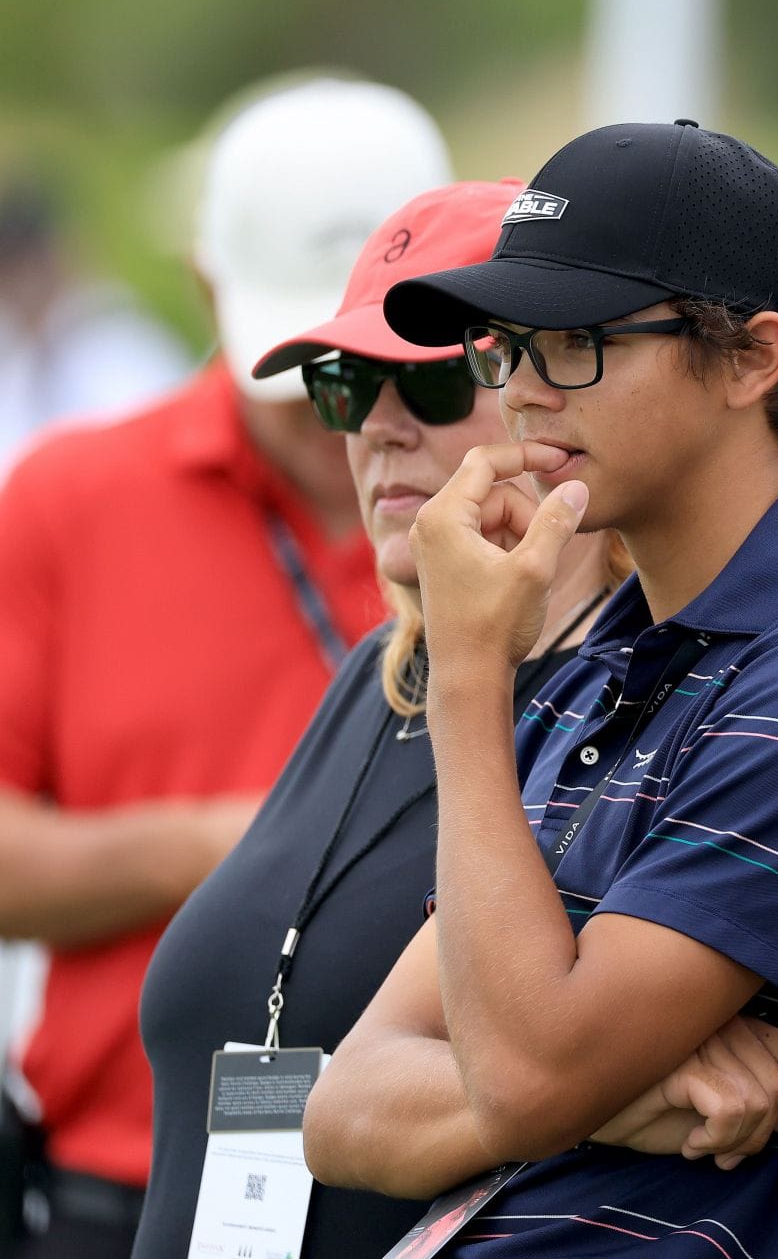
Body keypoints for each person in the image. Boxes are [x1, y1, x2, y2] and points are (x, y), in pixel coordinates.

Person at [302, 119, 778, 1258]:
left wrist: (469, 673)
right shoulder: (609, 660)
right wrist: (616, 1090)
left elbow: (522, 1078)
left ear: (753, 358)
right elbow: (344, 1107)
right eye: (505, 348)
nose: (523, 394)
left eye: (574, 343)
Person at [0, 77, 450, 1259]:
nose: (344, 412)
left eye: (388, 357)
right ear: (208, 287)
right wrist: (249, 853)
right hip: (123, 1184)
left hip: (448, 1185)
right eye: (308, 368)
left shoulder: (522, 516)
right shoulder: (69, 499)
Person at [0, 176, 189, 473]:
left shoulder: (121, 343)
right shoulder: (16, 366)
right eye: (11, 268)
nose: (23, 282)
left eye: (30, 262)